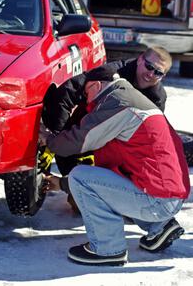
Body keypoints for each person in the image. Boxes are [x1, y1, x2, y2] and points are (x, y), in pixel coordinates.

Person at [39, 67, 190, 266]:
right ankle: (160, 227)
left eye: (86, 93)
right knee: (101, 178)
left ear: (95, 85)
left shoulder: (117, 104)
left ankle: (107, 248)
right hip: (166, 194)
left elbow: (76, 142)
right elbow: (111, 172)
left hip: (157, 200)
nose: (87, 100)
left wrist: (48, 138)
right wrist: (63, 184)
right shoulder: (132, 98)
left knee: (80, 176)